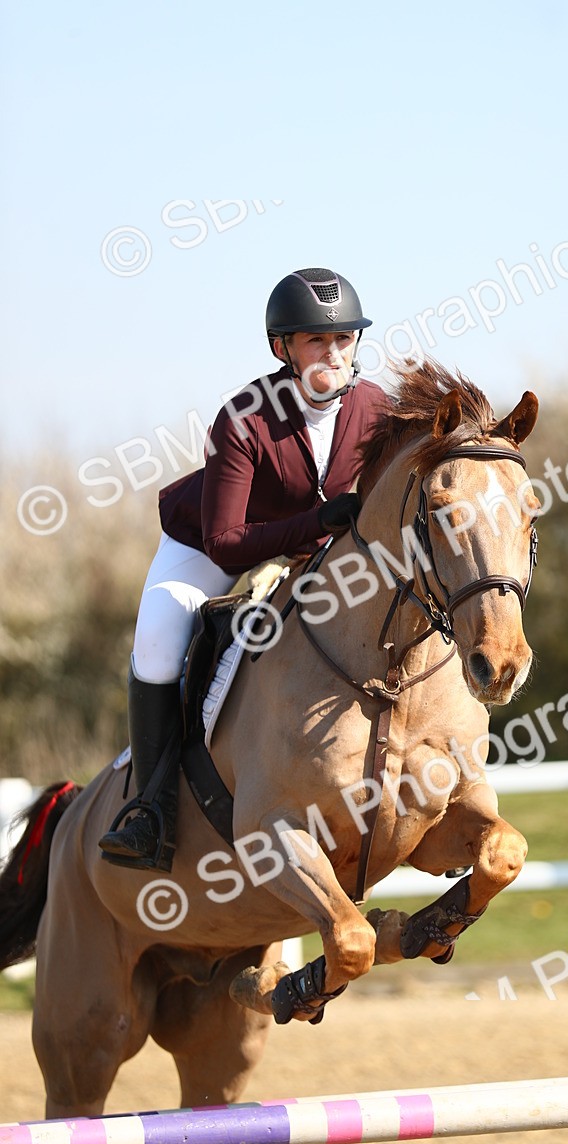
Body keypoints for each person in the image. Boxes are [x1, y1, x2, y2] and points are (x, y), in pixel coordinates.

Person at [99, 267, 387, 871]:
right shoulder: (244, 417)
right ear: (283, 347)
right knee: (156, 641)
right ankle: (150, 811)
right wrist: (321, 523)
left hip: (312, 543)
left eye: (343, 339)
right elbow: (228, 542)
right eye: (316, 340)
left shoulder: (374, 408)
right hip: (207, 544)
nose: (333, 353)